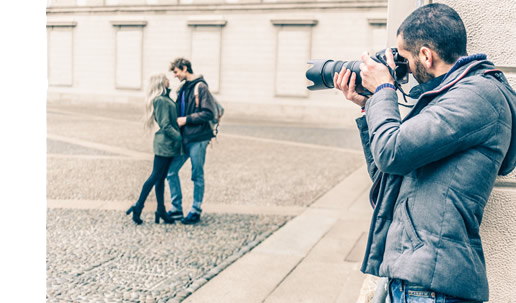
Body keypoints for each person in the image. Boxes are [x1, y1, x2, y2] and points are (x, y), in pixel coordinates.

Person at [333, 3, 516, 303]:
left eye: (405, 58)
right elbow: (389, 172)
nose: (402, 68)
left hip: (431, 287)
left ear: (426, 56)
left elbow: (391, 151)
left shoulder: (475, 97)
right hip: (417, 281)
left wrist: (383, 91)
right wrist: (369, 108)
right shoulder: (451, 97)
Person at [166, 58, 217, 225]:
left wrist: (186, 120)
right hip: (183, 138)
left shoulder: (200, 87)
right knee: (171, 171)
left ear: (184, 68)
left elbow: (209, 113)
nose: (175, 76)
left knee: (196, 174)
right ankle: (176, 208)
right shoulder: (182, 88)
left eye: (176, 72)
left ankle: (195, 209)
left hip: (198, 138)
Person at [126, 73, 183, 225]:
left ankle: (161, 210)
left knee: (160, 178)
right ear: (160, 83)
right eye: (165, 78)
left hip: (167, 145)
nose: (168, 80)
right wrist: (179, 138)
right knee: (155, 176)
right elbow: (166, 125)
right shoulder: (161, 101)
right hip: (165, 145)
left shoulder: (164, 99)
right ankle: (138, 207)